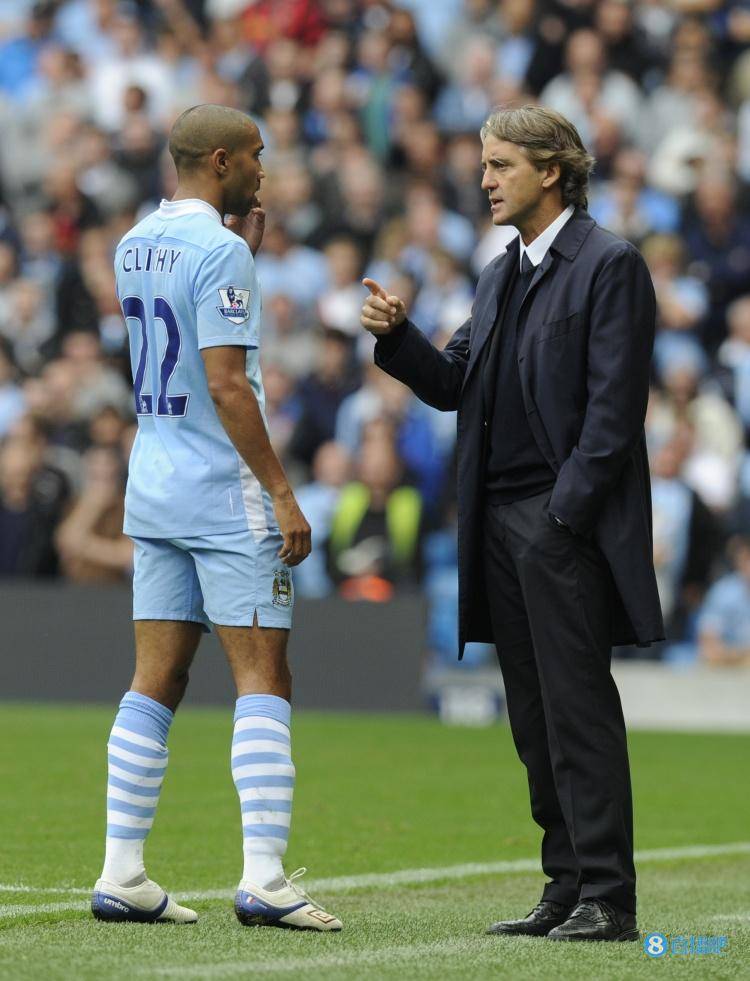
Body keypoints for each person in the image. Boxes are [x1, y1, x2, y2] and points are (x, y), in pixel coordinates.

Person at [360, 105, 663, 943]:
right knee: (532, 717)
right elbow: (454, 381)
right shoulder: (501, 273)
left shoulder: (610, 264)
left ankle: (611, 896)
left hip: (558, 523)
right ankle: (565, 886)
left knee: (578, 710)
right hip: (496, 523)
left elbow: (613, 414)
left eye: (500, 164)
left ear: (551, 170)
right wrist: (400, 337)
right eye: (484, 164)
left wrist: (563, 515)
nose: (485, 179)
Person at [91, 104, 341, 931]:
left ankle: (121, 870)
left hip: (155, 482)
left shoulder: (134, 241)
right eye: (257, 155)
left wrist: (243, 258)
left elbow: (177, 339)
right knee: (265, 676)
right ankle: (264, 877)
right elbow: (227, 385)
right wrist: (282, 491)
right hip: (223, 492)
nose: (266, 169)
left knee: (155, 679)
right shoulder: (221, 249)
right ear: (223, 161)